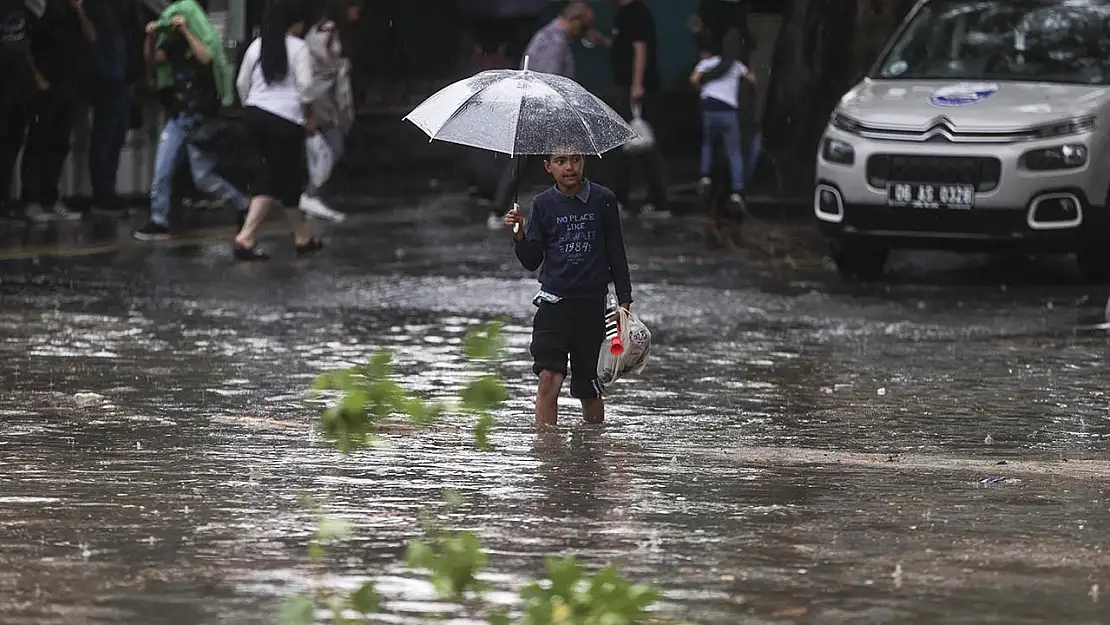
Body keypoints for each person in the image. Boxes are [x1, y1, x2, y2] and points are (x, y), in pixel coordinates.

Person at [503, 151, 633, 427]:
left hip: (591, 305)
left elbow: (616, 252)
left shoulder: (603, 200)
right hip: (553, 305)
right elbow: (531, 260)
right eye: (561, 161)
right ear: (548, 166)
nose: (569, 167)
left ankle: (592, 455)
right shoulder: (543, 204)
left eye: (575, 159)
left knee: (588, 385)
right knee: (549, 377)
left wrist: (624, 299)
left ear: (584, 162)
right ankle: (548, 455)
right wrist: (519, 235)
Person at [133, 1, 249, 241]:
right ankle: (159, 219)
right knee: (168, 171)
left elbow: (206, 57)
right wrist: (152, 37)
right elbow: (153, 60)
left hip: (200, 120)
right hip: (181, 117)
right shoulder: (172, 46)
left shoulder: (202, 44)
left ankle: (242, 204)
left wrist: (186, 31)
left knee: (203, 178)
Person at [232, 0, 321, 261]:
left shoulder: (256, 46)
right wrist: (309, 117)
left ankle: (302, 236)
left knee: (287, 180)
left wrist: (252, 106)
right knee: (272, 179)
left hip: (255, 114)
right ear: (294, 23)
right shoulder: (299, 48)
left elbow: (241, 83)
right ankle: (245, 237)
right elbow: (305, 88)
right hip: (285, 120)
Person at [20, 0, 96, 224]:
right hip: (46, 85)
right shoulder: (43, 8)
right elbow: (27, 43)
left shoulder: (75, 11)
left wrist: (80, 10)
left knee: (60, 145)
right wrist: (36, 76)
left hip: (70, 86)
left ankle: (50, 198)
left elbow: (91, 37)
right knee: (38, 143)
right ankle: (31, 201)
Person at [594, 0, 669, 219]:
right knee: (628, 142)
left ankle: (655, 198)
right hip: (625, 85)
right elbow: (624, 47)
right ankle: (623, 196)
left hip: (633, 87)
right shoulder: (621, 15)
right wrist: (605, 42)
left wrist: (637, 84)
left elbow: (640, 48)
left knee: (642, 142)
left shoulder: (636, 13)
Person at [298, 0, 361, 224]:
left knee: (325, 150)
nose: (358, 12)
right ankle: (312, 194)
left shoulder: (329, 29)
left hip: (325, 99)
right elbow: (322, 63)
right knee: (332, 148)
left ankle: (315, 196)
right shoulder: (327, 30)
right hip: (321, 100)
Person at [84, 0, 145, 217]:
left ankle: (107, 190)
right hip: (110, 79)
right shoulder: (102, 6)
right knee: (106, 138)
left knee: (115, 138)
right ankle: (103, 192)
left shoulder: (128, 7)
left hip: (124, 77)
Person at [690, 32, 756, 214]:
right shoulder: (735, 65)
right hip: (729, 111)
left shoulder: (706, 63)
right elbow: (752, 79)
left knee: (708, 143)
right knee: (733, 152)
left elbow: (694, 79)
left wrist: (700, 89)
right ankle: (737, 191)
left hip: (709, 109)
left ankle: (705, 176)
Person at [0, 0, 39, 224]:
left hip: (20, 89)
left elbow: (28, 46)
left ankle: (5, 202)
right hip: (4, 87)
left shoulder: (24, 8)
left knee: (11, 147)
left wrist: (33, 77)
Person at [521, 1, 594, 79]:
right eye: (584, 27)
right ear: (575, 20)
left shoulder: (555, 37)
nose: (584, 33)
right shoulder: (554, 41)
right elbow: (549, 81)